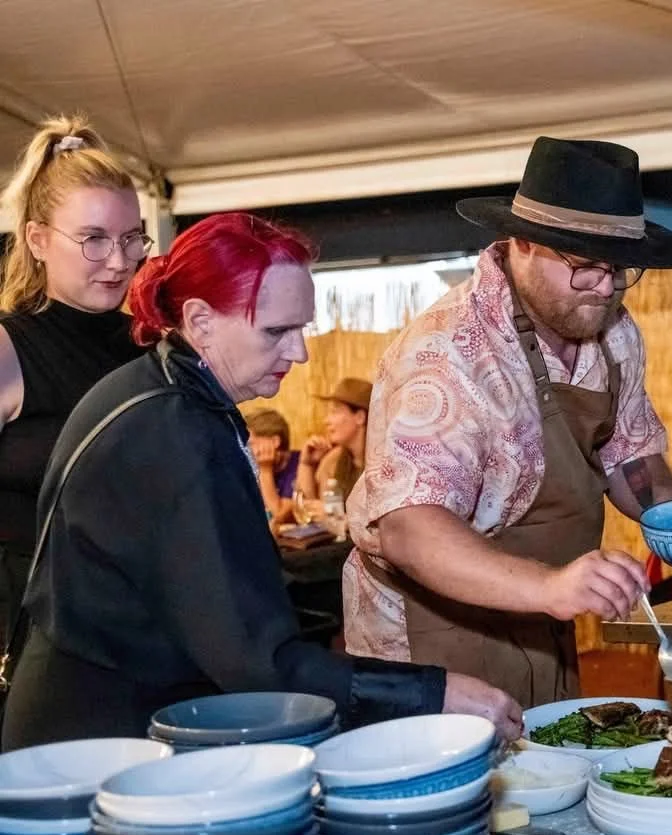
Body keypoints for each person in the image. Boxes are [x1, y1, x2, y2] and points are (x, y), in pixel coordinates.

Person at [0, 213, 522, 751]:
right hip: (94, 740)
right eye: (276, 330)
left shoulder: (165, 390)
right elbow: (258, 662)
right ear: (199, 321)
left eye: (302, 328)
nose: (299, 352)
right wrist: (432, 695)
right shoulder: (175, 431)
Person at [343, 136, 672, 708]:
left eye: (618, 269)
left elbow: (627, 451)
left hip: (540, 612)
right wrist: (551, 586)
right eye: (584, 267)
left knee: (546, 774)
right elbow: (408, 530)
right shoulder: (447, 352)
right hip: (432, 625)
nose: (604, 288)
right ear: (524, 242)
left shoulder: (612, 330)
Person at [0, 117, 146, 681]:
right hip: (29, 636)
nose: (119, 259)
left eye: (132, 237)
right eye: (94, 240)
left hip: (137, 625)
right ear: (38, 240)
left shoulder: (151, 347)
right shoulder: (10, 348)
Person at [296, 377, 370, 506]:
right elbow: (309, 509)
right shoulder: (334, 460)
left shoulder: (386, 462)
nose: (327, 421)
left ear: (360, 417)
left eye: (335, 412)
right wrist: (307, 464)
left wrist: (333, 516)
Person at [244, 408, 300, 528]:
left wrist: (265, 470)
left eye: (251, 444)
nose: (246, 451)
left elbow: (279, 514)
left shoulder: (299, 465)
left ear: (275, 442)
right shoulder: (251, 468)